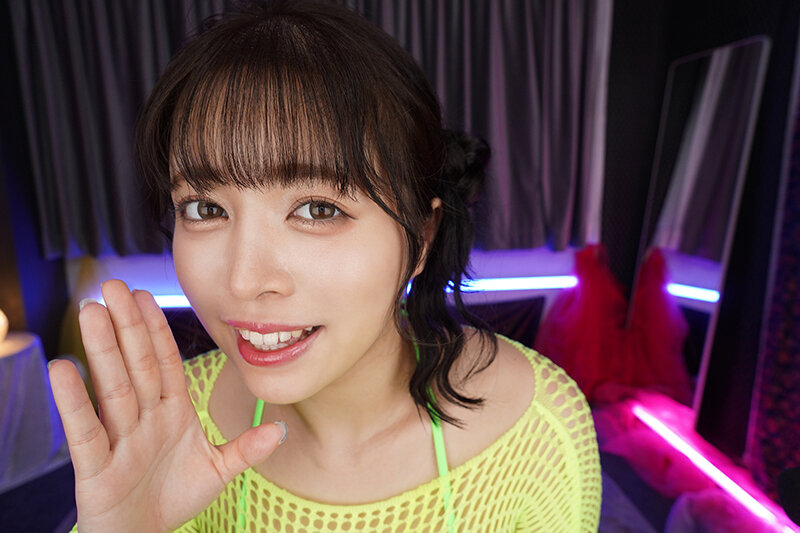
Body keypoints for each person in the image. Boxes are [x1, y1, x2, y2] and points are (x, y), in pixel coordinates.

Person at [49, 1, 602, 531]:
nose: (243, 281)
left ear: (422, 237)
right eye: (205, 208)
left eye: (318, 209)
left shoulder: (538, 429)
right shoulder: (164, 429)